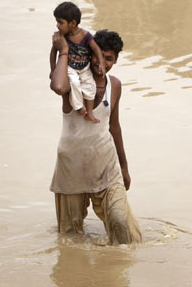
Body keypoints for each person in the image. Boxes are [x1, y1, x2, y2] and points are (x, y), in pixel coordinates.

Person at [49, 29, 142, 245]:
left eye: (109, 58)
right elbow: (57, 85)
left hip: (105, 165)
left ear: (116, 60)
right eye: (98, 55)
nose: (103, 63)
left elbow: (114, 127)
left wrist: (124, 167)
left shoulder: (115, 85)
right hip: (72, 166)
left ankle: (116, 270)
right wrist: (62, 51)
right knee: (70, 236)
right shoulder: (73, 80)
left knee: (119, 221)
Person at [50, 2, 106, 124]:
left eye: (60, 22)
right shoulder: (61, 37)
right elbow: (53, 53)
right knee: (74, 82)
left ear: (73, 23)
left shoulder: (85, 35)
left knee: (91, 86)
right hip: (70, 67)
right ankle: (79, 107)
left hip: (84, 67)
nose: (57, 25)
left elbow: (96, 49)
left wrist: (101, 63)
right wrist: (53, 70)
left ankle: (89, 113)